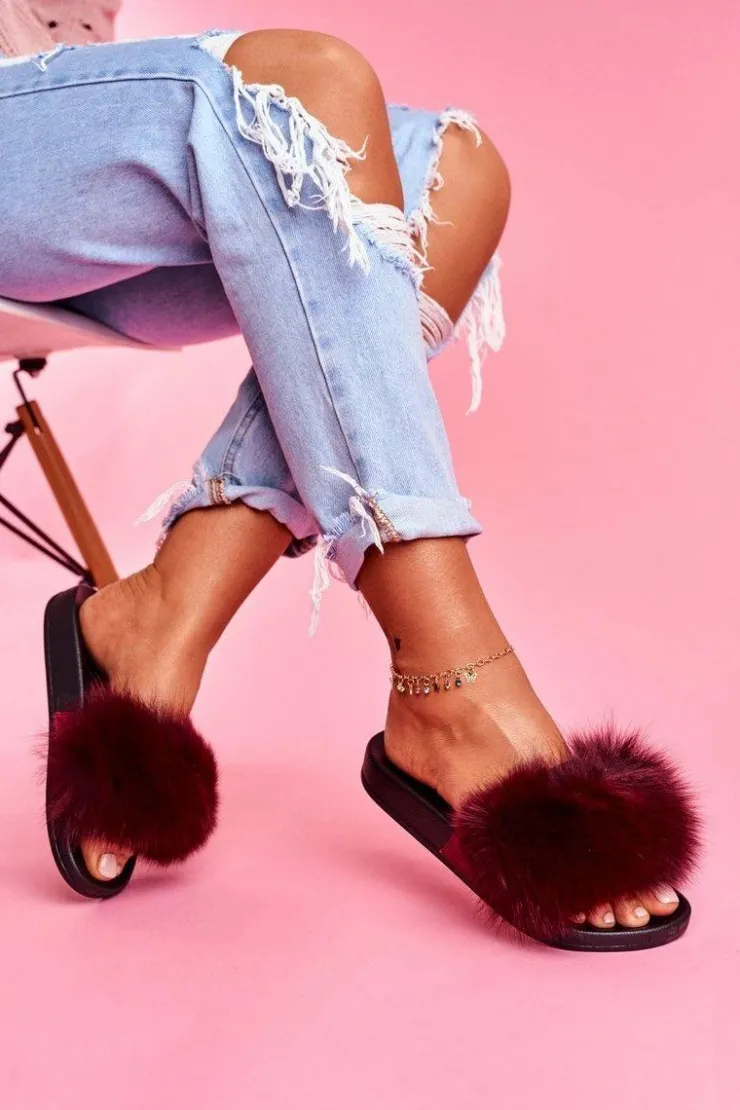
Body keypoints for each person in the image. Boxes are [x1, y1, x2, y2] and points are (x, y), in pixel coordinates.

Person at [0, 3, 700, 950]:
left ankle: (169, 607)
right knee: (300, 83)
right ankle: (451, 680)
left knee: (449, 171)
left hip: (59, 156)